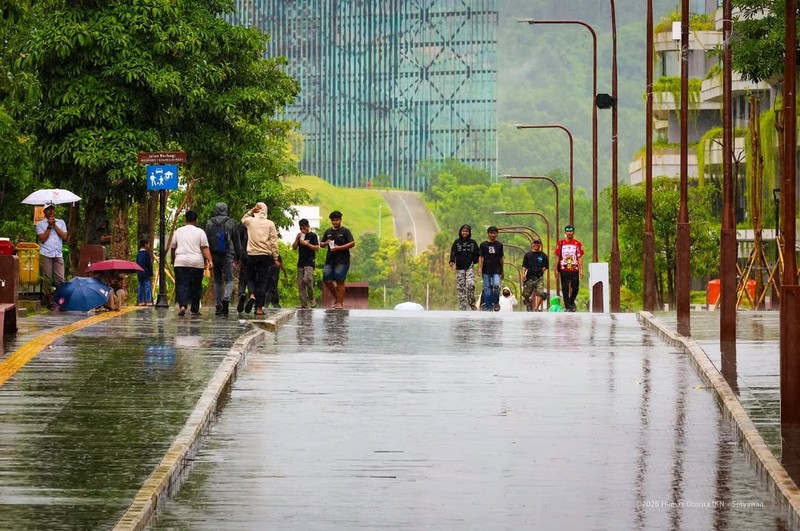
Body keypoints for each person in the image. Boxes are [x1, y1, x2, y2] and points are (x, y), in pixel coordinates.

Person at [170, 210, 213, 316]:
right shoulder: (200, 232)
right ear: (196, 220)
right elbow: (204, 248)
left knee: (181, 285)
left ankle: (183, 306)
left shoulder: (178, 231)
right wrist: (210, 261)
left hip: (180, 262)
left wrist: (173, 259)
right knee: (196, 286)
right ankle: (194, 309)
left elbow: (173, 248)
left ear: (185, 219)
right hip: (196, 263)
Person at [240, 202, 279, 316]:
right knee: (262, 282)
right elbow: (274, 242)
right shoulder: (270, 224)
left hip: (251, 255)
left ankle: (252, 295)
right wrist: (275, 257)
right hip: (265, 256)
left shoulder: (250, 222)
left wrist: (252, 210)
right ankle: (259, 308)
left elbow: (243, 219)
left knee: (251, 278)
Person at [205, 202, 239, 315]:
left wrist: (207, 258)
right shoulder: (232, 222)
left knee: (218, 280)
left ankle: (218, 305)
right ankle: (227, 298)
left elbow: (206, 242)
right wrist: (238, 257)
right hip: (228, 254)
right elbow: (236, 242)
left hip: (215, 255)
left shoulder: (209, 223)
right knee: (229, 279)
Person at [320, 210, 355, 309]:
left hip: (342, 260)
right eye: (333, 220)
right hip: (330, 260)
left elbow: (352, 243)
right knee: (326, 280)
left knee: (340, 281)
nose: (335, 222)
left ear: (340, 220)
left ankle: (340, 303)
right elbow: (321, 244)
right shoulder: (328, 231)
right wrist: (326, 243)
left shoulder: (345, 231)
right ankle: (337, 297)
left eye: (337, 220)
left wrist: (339, 248)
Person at [36, 203, 69, 306]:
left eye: (52, 209)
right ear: (44, 212)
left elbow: (64, 237)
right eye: (48, 210)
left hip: (57, 253)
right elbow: (43, 239)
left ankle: (61, 300)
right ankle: (48, 300)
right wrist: (49, 227)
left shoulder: (61, 222)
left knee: (61, 278)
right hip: (46, 253)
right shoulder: (40, 224)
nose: (51, 212)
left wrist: (55, 225)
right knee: (47, 278)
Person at [448, 224, 479, 311]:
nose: (464, 233)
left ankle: (472, 302)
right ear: (460, 232)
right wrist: (452, 261)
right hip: (460, 268)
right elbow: (453, 252)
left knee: (470, 285)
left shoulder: (473, 243)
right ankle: (462, 306)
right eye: (463, 231)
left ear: (469, 232)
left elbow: (478, 254)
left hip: (469, 267)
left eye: (466, 231)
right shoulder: (457, 242)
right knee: (460, 287)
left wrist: (475, 261)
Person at [554, 225, 584, 312]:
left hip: (574, 269)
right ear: (565, 232)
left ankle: (571, 302)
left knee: (575, 287)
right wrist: (555, 269)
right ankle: (568, 307)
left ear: (573, 232)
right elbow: (557, 256)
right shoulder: (561, 243)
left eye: (571, 231)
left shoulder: (577, 243)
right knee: (565, 288)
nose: (569, 232)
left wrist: (581, 269)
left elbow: (579, 257)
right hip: (564, 269)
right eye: (567, 231)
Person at [292, 218, 320, 309]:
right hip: (300, 263)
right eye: (301, 229)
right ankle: (303, 303)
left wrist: (306, 244)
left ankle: (312, 298)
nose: (303, 230)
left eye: (304, 228)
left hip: (309, 262)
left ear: (308, 227)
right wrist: (297, 239)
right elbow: (294, 247)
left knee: (307, 280)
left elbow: (317, 248)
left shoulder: (312, 235)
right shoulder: (299, 236)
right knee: (300, 284)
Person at [478, 226, 504, 311]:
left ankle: (496, 302)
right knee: (487, 289)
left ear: (497, 234)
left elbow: (501, 258)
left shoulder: (499, 245)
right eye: (491, 233)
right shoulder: (483, 245)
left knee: (496, 286)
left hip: (496, 270)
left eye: (494, 233)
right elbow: (481, 257)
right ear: (488, 233)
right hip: (486, 270)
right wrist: (479, 268)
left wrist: (502, 270)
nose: (493, 235)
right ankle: (489, 306)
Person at [521, 239, 549, 311]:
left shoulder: (543, 255)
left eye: (538, 243)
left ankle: (536, 308)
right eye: (535, 243)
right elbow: (524, 266)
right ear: (532, 244)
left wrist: (541, 269)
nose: (536, 244)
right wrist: (523, 274)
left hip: (539, 277)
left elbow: (546, 266)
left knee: (540, 293)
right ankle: (529, 303)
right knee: (525, 295)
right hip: (529, 277)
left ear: (540, 244)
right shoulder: (527, 255)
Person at [234, 221, 252, 313]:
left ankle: (241, 294)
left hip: (244, 256)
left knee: (242, 279)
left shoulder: (242, 228)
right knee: (252, 279)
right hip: (256, 256)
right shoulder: (256, 227)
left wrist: (236, 258)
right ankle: (252, 296)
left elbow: (238, 244)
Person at [135, 238, 153, 306]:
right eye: (148, 244)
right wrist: (151, 273)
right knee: (147, 286)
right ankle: (148, 300)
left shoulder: (138, 254)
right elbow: (149, 264)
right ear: (145, 244)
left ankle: (141, 301)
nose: (149, 245)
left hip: (140, 273)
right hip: (146, 273)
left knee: (140, 286)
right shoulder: (146, 254)